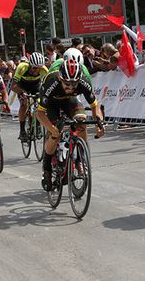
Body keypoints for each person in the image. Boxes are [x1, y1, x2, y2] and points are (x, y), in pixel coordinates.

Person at [35, 60, 105, 191]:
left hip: (70, 101)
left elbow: (95, 105)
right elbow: (39, 113)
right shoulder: (52, 81)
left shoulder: (83, 82)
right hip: (51, 104)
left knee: (81, 121)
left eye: (74, 84)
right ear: (60, 78)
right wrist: (52, 129)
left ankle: (79, 158)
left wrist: (99, 124)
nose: (71, 87)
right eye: (67, 84)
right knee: (55, 134)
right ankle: (47, 167)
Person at [11, 52, 48, 141]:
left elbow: (48, 85)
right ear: (29, 65)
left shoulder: (44, 70)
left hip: (35, 86)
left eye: (39, 68)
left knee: (40, 103)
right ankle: (22, 130)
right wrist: (21, 93)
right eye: (35, 68)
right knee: (24, 104)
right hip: (22, 86)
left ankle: (38, 125)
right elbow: (13, 86)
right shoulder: (22, 67)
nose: (37, 71)